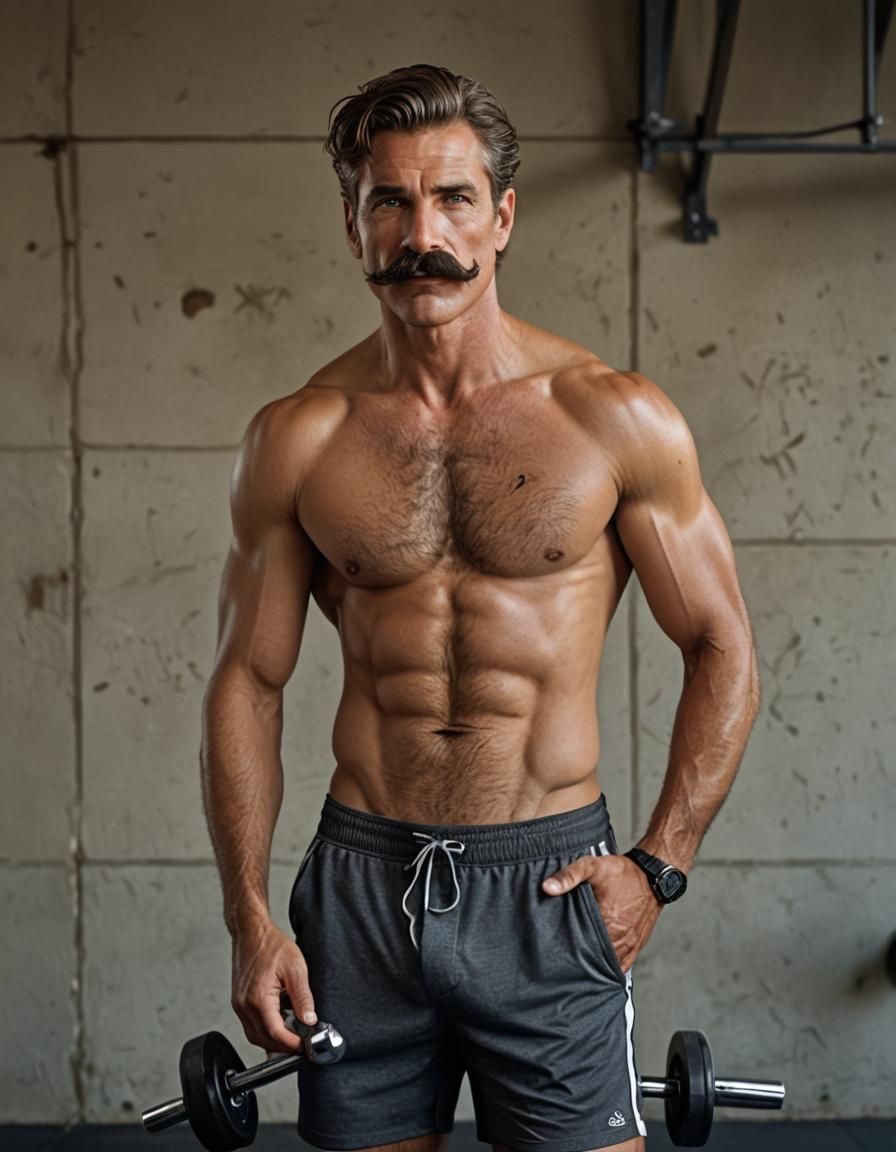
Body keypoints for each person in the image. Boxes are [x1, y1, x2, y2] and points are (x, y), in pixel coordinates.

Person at [200, 63, 760, 1152]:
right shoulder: (298, 437)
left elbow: (720, 642)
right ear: (353, 223)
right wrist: (250, 918)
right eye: (390, 201)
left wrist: (656, 867)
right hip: (361, 890)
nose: (423, 234)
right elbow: (248, 682)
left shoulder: (612, 418)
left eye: (453, 199)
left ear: (501, 218)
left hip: (548, 886)